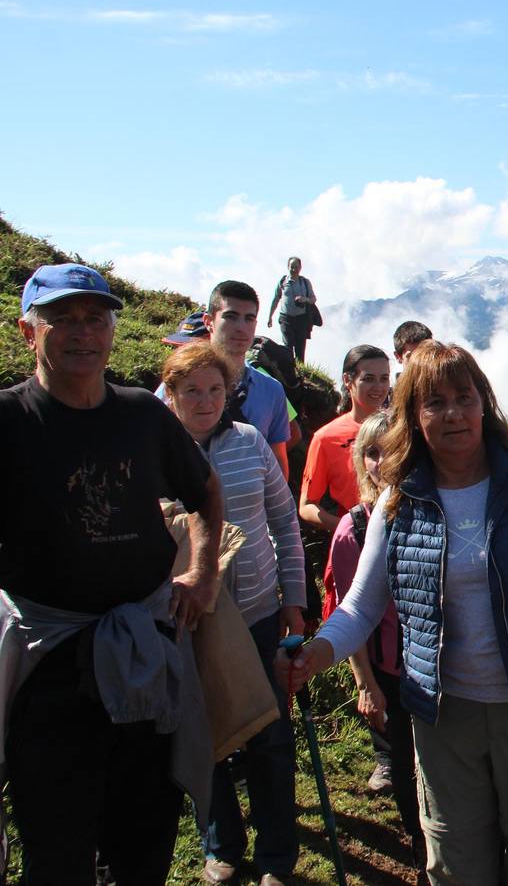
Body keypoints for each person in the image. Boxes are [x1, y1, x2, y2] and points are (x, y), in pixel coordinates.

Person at [279, 342, 508, 885]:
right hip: (442, 712)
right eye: (434, 402)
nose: (453, 412)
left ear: (485, 403)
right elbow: (362, 604)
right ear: (413, 415)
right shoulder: (396, 501)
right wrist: (317, 652)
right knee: (455, 863)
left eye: (465, 397)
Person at [1, 264, 223, 883]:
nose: (82, 333)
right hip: (51, 670)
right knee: (57, 847)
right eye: (62, 319)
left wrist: (203, 575)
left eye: (95, 318)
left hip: (145, 655)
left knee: (144, 840)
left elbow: (205, 492)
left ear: (111, 330)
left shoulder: (142, 416)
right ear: (28, 331)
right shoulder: (10, 423)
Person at [161, 341, 306, 885]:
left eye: (216, 390)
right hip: (188, 618)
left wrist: (294, 602)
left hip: (258, 612)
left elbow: (284, 523)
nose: (205, 401)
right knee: (206, 733)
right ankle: (220, 844)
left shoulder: (249, 443)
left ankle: (276, 856)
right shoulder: (154, 452)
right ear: (169, 395)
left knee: (270, 736)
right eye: (192, 391)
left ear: (229, 393)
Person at [322, 411, 426, 869]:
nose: (383, 461)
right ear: (362, 461)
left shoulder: (431, 508)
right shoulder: (353, 530)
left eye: (393, 448)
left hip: (443, 665)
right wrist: (366, 684)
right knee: (404, 768)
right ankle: (426, 854)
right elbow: (353, 612)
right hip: (394, 672)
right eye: (372, 451)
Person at [190, 280, 294, 480]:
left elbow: (278, 461)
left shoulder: (271, 390)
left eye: (249, 319)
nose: (241, 327)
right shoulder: (180, 385)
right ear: (208, 321)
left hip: (251, 507)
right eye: (231, 317)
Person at [299, 345, 392, 534]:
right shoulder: (326, 438)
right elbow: (307, 505)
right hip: (354, 545)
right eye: (368, 379)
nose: (379, 387)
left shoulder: (401, 429)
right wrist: (348, 527)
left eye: (384, 378)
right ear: (348, 380)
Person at [267, 256, 317, 362]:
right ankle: (288, 369)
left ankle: (300, 372)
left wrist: (304, 299)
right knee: (288, 346)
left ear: (300, 268)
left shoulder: (305, 282)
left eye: (296, 267)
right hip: (286, 318)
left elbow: (313, 299)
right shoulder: (282, 282)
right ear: (288, 267)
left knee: (300, 348)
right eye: (292, 267)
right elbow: (276, 299)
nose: (294, 269)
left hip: (301, 319)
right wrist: (270, 316)